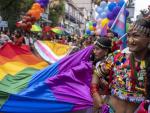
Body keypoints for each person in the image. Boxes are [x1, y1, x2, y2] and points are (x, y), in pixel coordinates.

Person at [91, 13, 150, 113]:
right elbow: (97, 74)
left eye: (135, 36)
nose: (130, 40)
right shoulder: (117, 57)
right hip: (111, 110)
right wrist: (95, 94)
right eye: (129, 35)